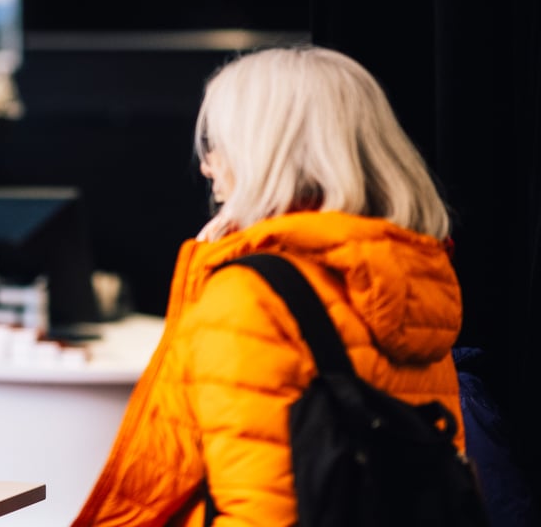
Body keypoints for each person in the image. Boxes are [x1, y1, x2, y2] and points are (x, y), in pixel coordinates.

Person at [72, 45, 466, 526]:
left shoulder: (250, 296)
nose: (207, 166)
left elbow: (258, 515)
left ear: (265, 153)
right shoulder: (413, 276)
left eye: (218, 144)